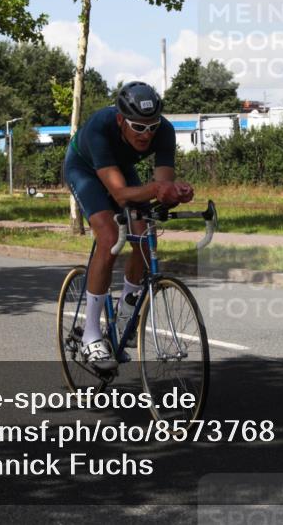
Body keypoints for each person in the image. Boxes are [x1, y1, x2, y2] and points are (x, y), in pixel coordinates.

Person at [63, 81, 194, 369]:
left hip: (121, 170)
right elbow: (121, 194)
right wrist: (160, 189)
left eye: (152, 126)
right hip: (83, 169)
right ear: (122, 120)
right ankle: (91, 335)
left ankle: (125, 312)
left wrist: (175, 194)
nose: (146, 134)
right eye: (138, 127)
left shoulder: (164, 131)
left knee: (146, 234)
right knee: (109, 237)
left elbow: (161, 189)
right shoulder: (101, 126)